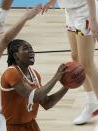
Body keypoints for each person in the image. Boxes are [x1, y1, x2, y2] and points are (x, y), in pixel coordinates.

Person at [42, 0, 98, 130]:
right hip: (70, 11)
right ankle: (91, 104)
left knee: (87, 64)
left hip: (85, 13)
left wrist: (93, 20)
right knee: (76, 58)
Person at [1, 39, 69, 131]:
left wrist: (67, 85)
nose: (31, 51)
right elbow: (33, 97)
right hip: (12, 127)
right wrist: (56, 77)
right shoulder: (11, 73)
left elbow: (47, 103)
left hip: (31, 125)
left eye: (31, 48)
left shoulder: (35, 74)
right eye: (26, 48)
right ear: (16, 55)